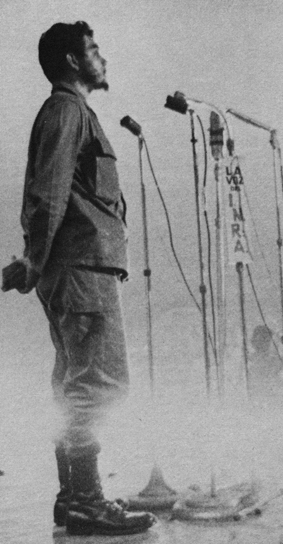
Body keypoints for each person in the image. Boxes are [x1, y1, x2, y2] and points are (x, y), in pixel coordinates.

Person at [13, 21, 155, 535]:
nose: (102, 57)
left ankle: (75, 499)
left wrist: (37, 259)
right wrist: (34, 257)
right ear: (72, 61)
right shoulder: (67, 110)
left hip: (77, 268)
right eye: (94, 48)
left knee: (78, 383)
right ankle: (86, 500)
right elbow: (48, 189)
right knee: (98, 383)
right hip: (79, 269)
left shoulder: (72, 112)